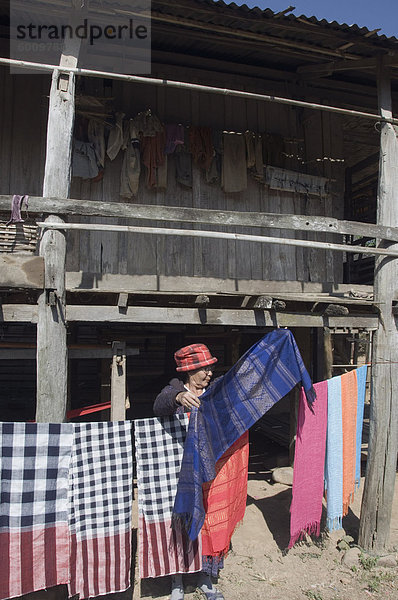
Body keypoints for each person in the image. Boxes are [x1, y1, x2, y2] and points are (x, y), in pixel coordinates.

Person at [153, 343, 225, 600]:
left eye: (210, 368)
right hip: (180, 471)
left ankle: (206, 577)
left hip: (210, 469)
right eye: (203, 369)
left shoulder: (215, 391)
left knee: (209, 521)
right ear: (189, 371)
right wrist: (178, 398)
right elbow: (159, 404)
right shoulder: (175, 388)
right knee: (183, 520)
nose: (208, 373)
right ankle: (177, 580)